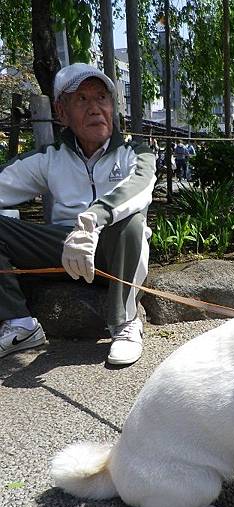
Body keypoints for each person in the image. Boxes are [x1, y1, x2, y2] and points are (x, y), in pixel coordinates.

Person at [0, 63, 156, 365]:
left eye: (102, 98)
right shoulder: (50, 159)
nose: (95, 108)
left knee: (133, 223)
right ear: (62, 112)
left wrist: (91, 221)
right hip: (65, 251)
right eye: (82, 99)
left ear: (113, 106)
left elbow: (138, 190)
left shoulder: (135, 152)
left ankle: (125, 322)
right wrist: (76, 233)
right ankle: (19, 324)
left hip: (114, 255)